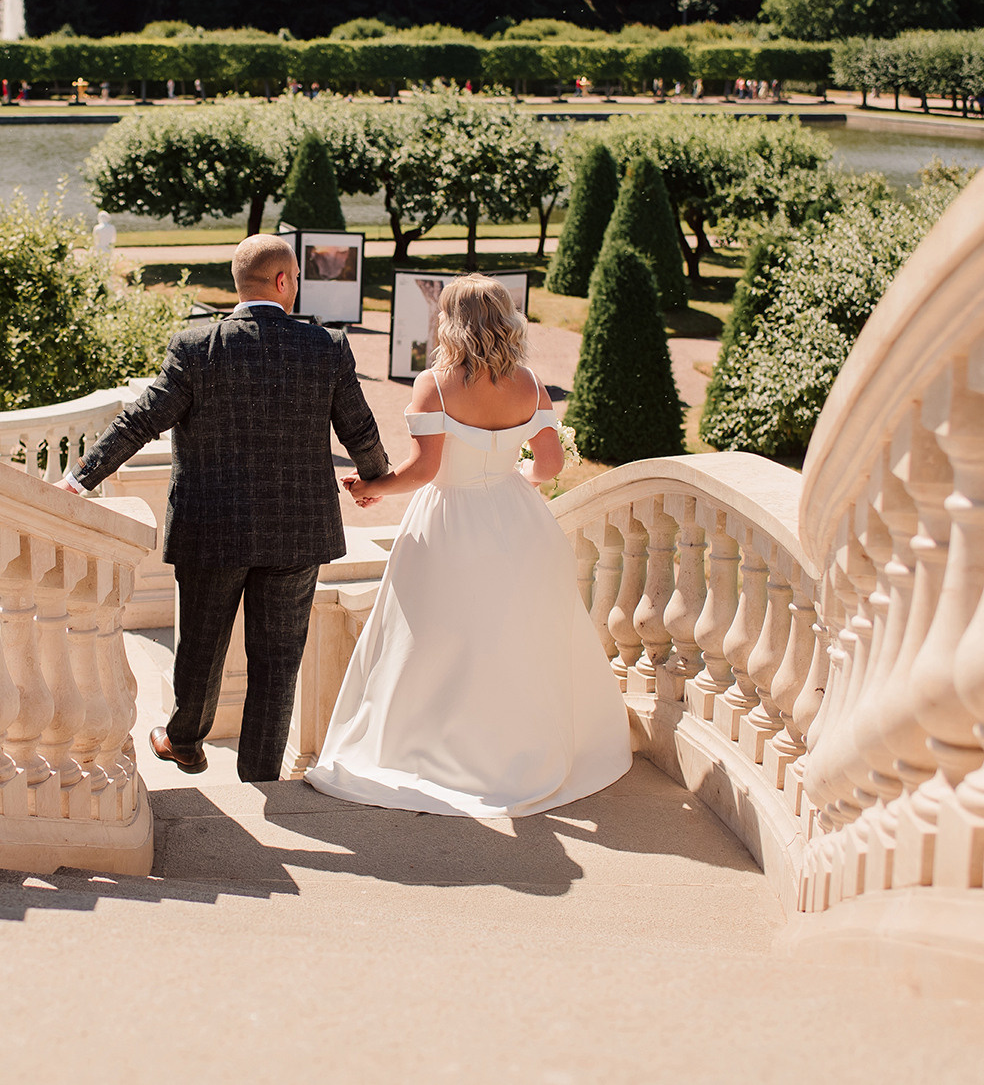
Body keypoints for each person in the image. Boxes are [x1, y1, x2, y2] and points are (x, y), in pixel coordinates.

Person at [61, 235, 391, 782]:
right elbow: (359, 428)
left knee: (201, 643)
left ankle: (184, 742)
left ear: (240, 285)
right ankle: (260, 776)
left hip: (210, 528)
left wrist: (77, 480)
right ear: (283, 283)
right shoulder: (325, 346)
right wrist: (376, 479)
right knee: (277, 659)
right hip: (296, 531)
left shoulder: (196, 347)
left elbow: (139, 422)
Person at [306, 274, 629, 817]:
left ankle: (439, 750)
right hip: (519, 526)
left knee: (435, 641)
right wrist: (512, 484)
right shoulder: (528, 382)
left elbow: (424, 469)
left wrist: (371, 488)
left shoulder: (435, 383)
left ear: (448, 320)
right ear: (506, 319)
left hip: (449, 523)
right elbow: (549, 466)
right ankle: (517, 751)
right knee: (515, 640)